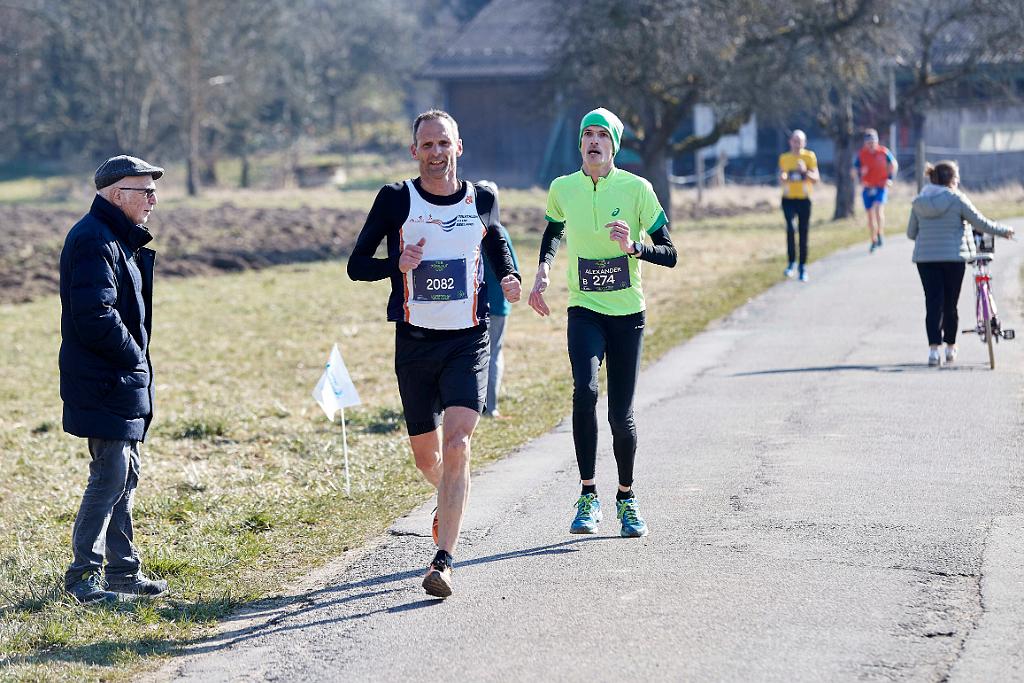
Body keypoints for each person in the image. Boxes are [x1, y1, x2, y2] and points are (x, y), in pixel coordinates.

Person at [348, 110, 521, 598]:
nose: (436, 153)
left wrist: (509, 276)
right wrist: (394, 264)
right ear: (414, 151)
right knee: (428, 459)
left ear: (458, 147)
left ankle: (443, 560)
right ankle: (449, 495)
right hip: (415, 344)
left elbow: (498, 240)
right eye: (427, 145)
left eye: (443, 143)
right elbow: (355, 265)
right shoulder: (395, 199)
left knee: (459, 443)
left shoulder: (480, 199)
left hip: (469, 339)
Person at [528, 107, 677, 538]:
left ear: (614, 145)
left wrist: (635, 246)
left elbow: (670, 252)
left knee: (620, 414)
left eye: (602, 136)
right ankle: (588, 495)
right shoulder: (563, 188)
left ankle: (627, 499)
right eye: (587, 134)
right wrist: (544, 267)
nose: (594, 141)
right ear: (580, 144)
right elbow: (554, 229)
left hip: (628, 314)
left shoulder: (637, 189)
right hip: (585, 307)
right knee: (585, 390)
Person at [60, 155, 169, 604]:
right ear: (115, 194)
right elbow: (95, 315)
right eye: (145, 192)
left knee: (126, 474)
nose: (153, 201)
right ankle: (83, 578)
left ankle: (124, 574)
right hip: (107, 380)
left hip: (119, 380)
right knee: (110, 475)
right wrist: (134, 360)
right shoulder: (93, 240)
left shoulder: (115, 237)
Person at [907, 160, 1014, 366]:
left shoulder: (919, 201)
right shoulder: (957, 199)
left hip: (926, 259)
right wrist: (1004, 231)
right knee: (950, 304)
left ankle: (933, 351)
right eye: (957, 178)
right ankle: (950, 347)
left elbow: (911, 233)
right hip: (953, 258)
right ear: (951, 180)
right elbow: (980, 222)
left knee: (933, 303)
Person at [477, 181, 520, 418]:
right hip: (498, 304)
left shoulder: (469, 229)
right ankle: (490, 407)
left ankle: (478, 404)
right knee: (494, 352)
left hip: (475, 304)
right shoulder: (500, 232)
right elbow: (513, 268)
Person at [777, 129, 819, 282]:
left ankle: (802, 266)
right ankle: (791, 263)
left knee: (803, 232)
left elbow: (815, 178)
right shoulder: (784, 158)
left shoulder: (809, 157)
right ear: (790, 142)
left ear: (804, 143)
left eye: (800, 141)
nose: (797, 144)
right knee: (790, 228)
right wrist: (783, 177)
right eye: (794, 141)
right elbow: (782, 177)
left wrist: (805, 171)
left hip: (804, 199)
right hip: (788, 198)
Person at [855, 128, 898, 252]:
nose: (871, 145)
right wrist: (860, 175)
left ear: (877, 141)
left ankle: (880, 233)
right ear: (865, 143)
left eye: (873, 142)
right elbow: (854, 170)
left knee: (878, 209)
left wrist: (890, 179)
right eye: (868, 142)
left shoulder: (884, 152)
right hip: (868, 187)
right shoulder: (861, 154)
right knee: (870, 216)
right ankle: (873, 239)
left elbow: (893, 165)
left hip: (881, 186)